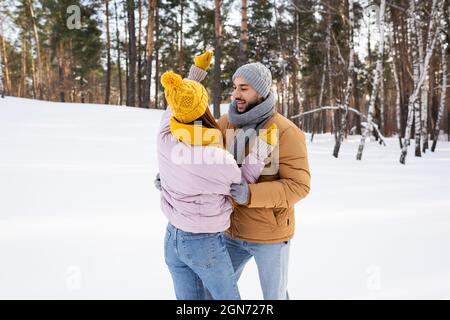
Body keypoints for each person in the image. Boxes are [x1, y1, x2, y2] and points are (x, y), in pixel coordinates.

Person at [156, 52, 278, 300]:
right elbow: (241, 182)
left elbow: (177, 102)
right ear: (204, 109)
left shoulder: (164, 136)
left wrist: (195, 74)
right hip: (204, 244)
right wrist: (262, 148)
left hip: (172, 239)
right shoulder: (217, 158)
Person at [214, 62, 311, 300]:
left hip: (270, 236)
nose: (236, 94)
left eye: (244, 88)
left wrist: (251, 194)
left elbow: (299, 186)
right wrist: (173, 177)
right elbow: (204, 162)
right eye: (235, 87)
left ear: (261, 91)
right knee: (216, 294)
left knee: (274, 297)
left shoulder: (285, 131)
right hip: (229, 231)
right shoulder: (225, 123)